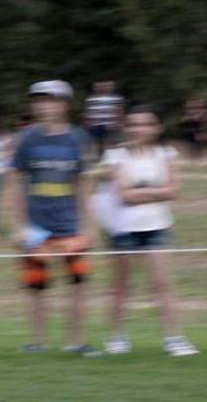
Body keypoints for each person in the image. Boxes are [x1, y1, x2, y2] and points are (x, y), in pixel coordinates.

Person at [101, 105, 199, 356]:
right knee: (121, 286)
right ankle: (116, 337)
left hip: (157, 226)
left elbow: (174, 190)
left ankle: (173, 338)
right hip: (123, 229)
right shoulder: (116, 156)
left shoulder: (165, 154)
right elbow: (124, 195)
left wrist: (141, 190)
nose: (138, 129)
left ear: (157, 128)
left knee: (163, 285)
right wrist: (156, 191)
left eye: (145, 124)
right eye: (133, 124)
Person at [10, 80, 98, 356]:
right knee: (37, 286)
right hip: (36, 228)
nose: (43, 105)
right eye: (39, 100)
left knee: (77, 285)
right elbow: (13, 184)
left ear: (64, 105)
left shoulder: (77, 139)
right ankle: (36, 343)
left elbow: (83, 185)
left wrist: (89, 226)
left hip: (70, 226)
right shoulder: (25, 139)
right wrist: (18, 226)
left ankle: (76, 342)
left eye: (50, 100)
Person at [84, 80, 124, 158]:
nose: (99, 88)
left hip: (110, 125)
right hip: (95, 125)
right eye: (96, 87)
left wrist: (120, 122)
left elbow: (120, 110)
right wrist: (86, 123)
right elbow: (88, 112)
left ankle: (110, 158)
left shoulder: (116, 98)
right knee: (97, 143)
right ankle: (100, 158)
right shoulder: (90, 99)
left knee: (110, 144)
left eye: (101, 86)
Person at [178, 97, 206, 165]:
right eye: (192, 108)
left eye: (200, 108)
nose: (196, 111)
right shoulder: (186, 122)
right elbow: (196, 137)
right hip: (193, 152)